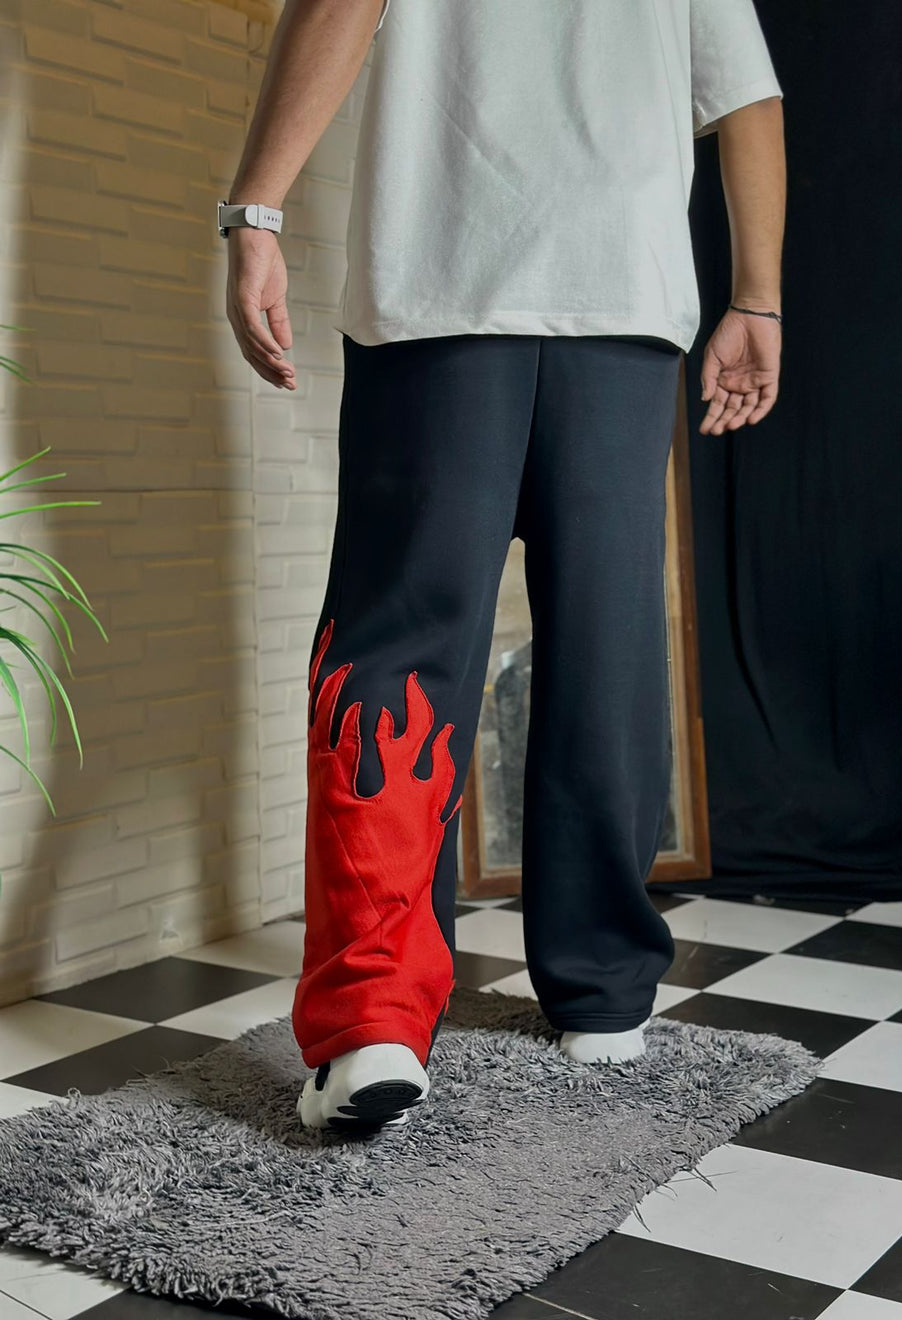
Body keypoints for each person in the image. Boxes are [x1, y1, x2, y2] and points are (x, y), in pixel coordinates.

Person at [221, 0, 785, 1131]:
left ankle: (375, 1022)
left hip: (442, 283)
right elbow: (747, 97)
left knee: (398, 645)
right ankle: (604, 997)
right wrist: (756, 296)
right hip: (623, 298)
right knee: (607, 649)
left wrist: (256, 208)